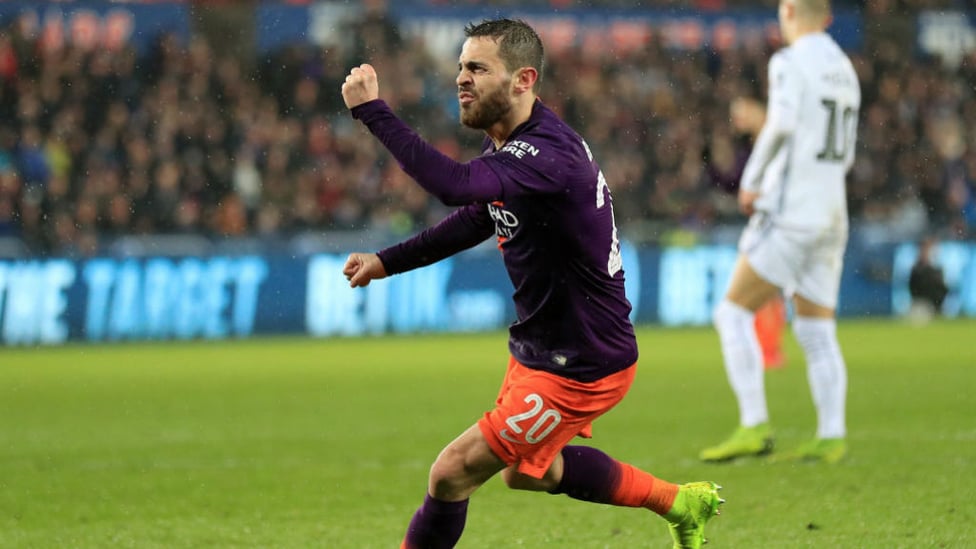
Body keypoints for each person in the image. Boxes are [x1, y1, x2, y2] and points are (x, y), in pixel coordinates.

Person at [341, 18, 723, 549]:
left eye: (477, 68)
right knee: (527, 472)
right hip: (544, 350)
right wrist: (386, 261)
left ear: (522, 80)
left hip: (582, 363)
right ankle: (681, 502)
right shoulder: (513, 147)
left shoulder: (547, 155)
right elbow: (477, 215)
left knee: (450, 474)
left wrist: (372, 112)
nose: (461, 79)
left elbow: (454, 187)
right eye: (460, 67)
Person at [699, 0, 860, 464]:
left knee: (731, 314)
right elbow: (844, 151)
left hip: (792, 214)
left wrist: (751, 180)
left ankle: (754, 425)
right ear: (826, 18)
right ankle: (831, 436)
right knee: (815, 328)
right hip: (833, 211)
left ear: (788, 12)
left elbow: (783, 124)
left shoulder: (789, 61)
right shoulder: (844, 68)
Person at [706, 96, 788, 370]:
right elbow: (733, 184)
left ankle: (768, 349)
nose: (737, 120)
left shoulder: (777, 137)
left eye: (742, 112)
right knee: (767, 288)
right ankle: (767, 348)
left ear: (759, 109)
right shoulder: (749, 148)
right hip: (764, 221)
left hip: (781, 220)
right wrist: (716, 161)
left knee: (765, 289)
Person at [907, 236, 948, 322]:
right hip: (921, 305)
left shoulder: (937, 269)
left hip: (936, 307)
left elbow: (943, 290)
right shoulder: (917, 269)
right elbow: (913, 290)